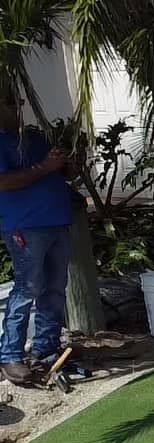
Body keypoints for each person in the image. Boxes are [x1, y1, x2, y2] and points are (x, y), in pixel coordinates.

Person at [0, 94, 73, 386]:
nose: (16, 108)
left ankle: (46, 348)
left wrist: (67, 162)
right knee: (27, 288)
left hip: (56, 220)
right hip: (25, 226)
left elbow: (62, 172)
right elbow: (3, 182)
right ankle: (10, 355)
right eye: (8, 103)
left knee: (55, 289)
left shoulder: (33, 137)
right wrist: (45, 167)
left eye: (17, 103)